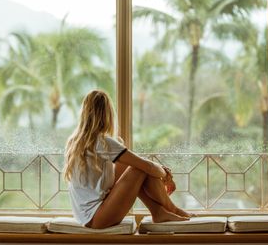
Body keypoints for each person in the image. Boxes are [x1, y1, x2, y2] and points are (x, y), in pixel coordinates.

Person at [63, 89, 192, 229]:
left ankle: (159, 212)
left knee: (128, 165)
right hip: (97, 218)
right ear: (108, 114)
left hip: (87, 216)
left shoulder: (74, 142)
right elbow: (147, 167)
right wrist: (166, 174)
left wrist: (158, 170)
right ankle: (172, 209)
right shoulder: (102, 142)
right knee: (139, 168)